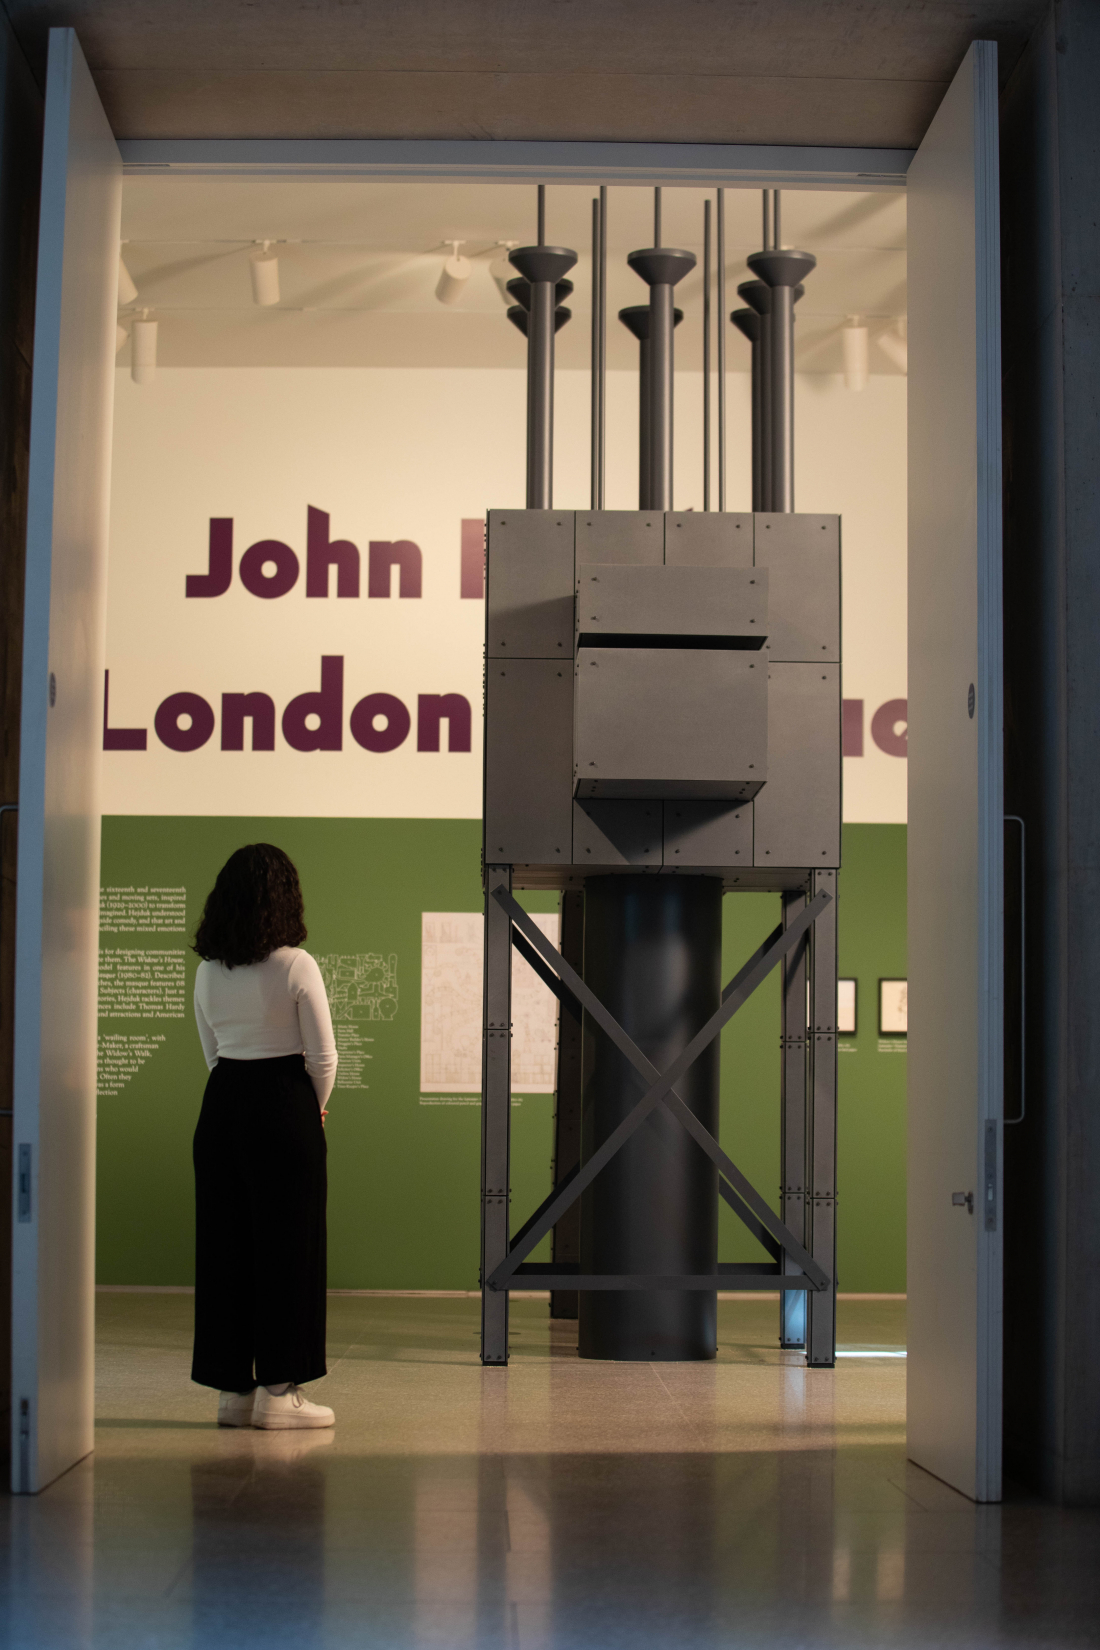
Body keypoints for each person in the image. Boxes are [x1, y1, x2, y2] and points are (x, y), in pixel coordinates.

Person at [190, 843, 338, 1430]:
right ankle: (281, 1392)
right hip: (284, 1104)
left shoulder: (206, 970)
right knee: (289, 1247)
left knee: (224, 1247)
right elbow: (324, 1057)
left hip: (222, 1105)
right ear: (286, 898)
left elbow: (212, 1054)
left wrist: (239, 1098)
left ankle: (234, 1392)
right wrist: (312, 1112)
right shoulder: (296, 965)